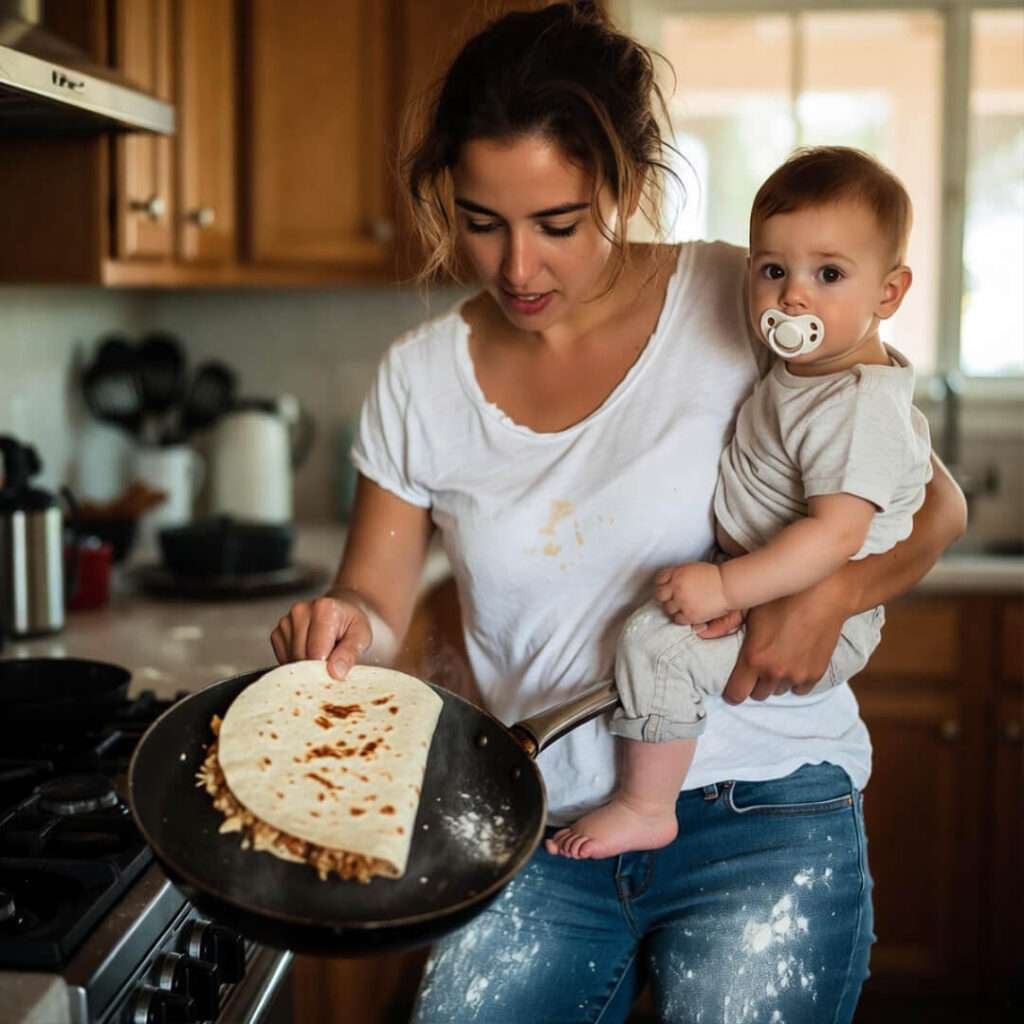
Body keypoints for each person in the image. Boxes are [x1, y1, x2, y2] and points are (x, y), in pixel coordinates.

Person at [270, 4, 966, 1022]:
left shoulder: (744, 292)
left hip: (761, 806)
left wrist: (836, 592)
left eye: (557, 224)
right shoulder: (420, 381)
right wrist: (340, 625)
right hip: (544, 829)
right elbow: (372, 602)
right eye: (480, 221)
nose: (518, 268)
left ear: (627, 184)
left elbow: (933, 503)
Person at [548, 146, 933, 862]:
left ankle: (645, 805)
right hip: (770, 577)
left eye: (828, 275)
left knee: (654, 645)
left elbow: (835, 535)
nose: (793, 297)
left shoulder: (855, 407)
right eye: (772, 271)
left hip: (812, 597)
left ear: (890, 293)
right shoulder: (808, 370)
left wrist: (729, 584)